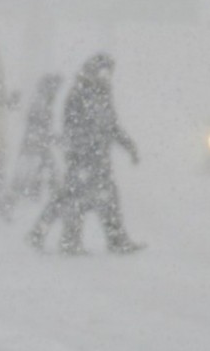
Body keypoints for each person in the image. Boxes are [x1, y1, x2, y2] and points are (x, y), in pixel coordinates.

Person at [27, 53, 143, 254]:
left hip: (99, 158)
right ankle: (69, 241)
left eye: (109, 73)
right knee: (77, 199)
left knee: (99, 197)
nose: (106, 76)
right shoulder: (79, 94)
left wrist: (129, 146)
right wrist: (80, 150)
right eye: (103, 72)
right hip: (83, 158)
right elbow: (71, 127)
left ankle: (47, 234)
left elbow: (112, 125)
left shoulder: (103, 93)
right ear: (93, 71)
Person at [0, 72, 63, 218]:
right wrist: (53, 138)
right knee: (25, 178)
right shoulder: (41, 102)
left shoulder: (43, 100)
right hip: (34, 147)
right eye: (55, 87)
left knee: (48, 176)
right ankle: (7, 203)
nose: (57, 91)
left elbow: (38, 125)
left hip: (38, 146)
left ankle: (57, 206)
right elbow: (37, 125)